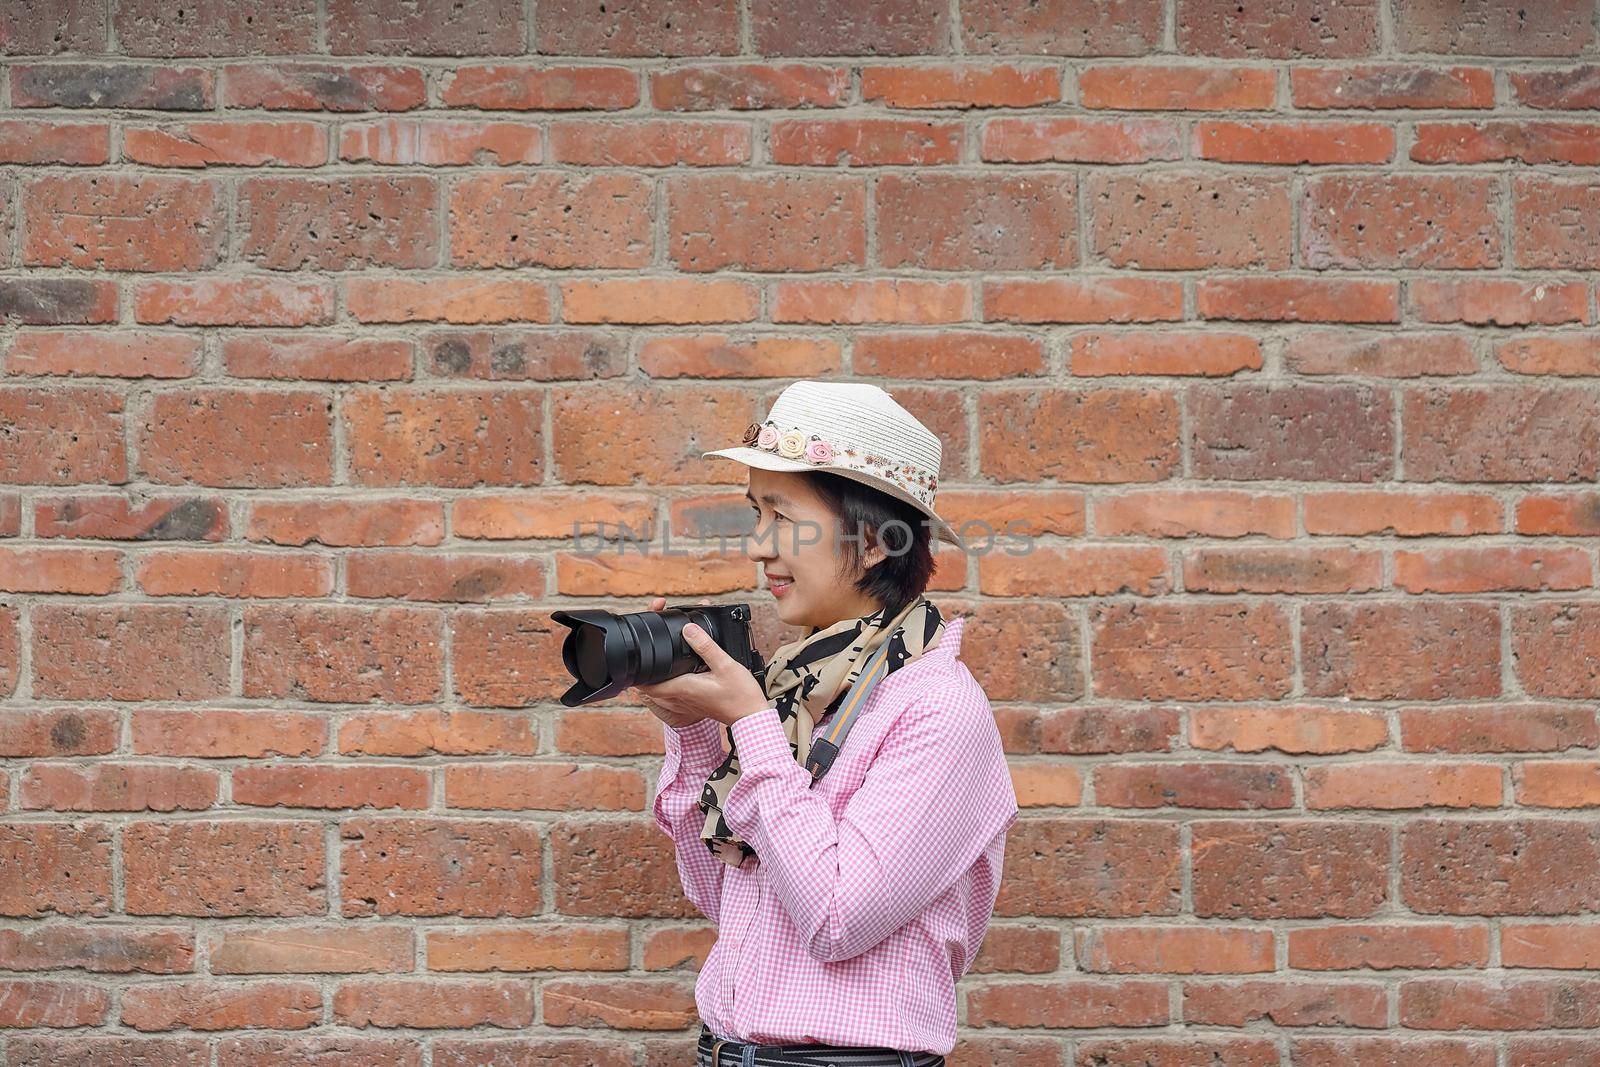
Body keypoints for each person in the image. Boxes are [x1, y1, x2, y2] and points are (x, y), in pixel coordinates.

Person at [637, 380, 1019, 1067]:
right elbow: (721, 896)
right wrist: (695, 730)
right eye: (756, 512)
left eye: (780, 515)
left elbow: (836, 918)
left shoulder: (937, 707)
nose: (758, 546)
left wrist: (750, 722)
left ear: (871, 542)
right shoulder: (805, 695)